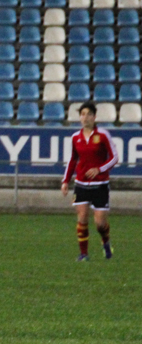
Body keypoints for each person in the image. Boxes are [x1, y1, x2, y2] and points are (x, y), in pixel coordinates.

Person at [61, 102, 118, 262]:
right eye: (82, 114)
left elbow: (114, 158)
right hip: (81, 184)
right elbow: (72, 160)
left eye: (88, 114)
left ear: (94, 117)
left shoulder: (103, 135)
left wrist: (99, 169)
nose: (85, 117)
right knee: (82, 217)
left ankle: (105, 242)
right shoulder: (75, 137)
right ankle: (83, 254)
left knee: (100, 223)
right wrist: (66, 181)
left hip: (100, 184)